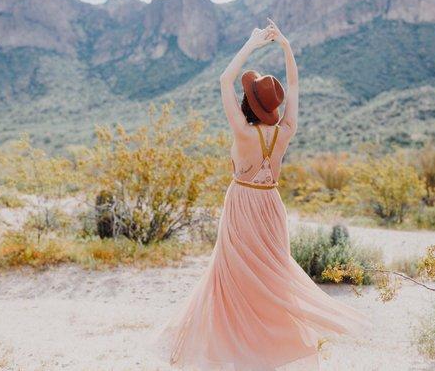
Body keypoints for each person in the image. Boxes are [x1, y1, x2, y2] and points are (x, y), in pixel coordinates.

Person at [151, 18, 370, 370]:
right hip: (271, 205)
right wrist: (285, 46)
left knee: (232, 279)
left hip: (241, 204)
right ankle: (267, 352)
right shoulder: (285, 131)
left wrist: (253, 43)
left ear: (249, 104)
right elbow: (295, 87)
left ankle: (238, 352)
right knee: (272, 279)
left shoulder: (241, 132)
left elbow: (224, 79)